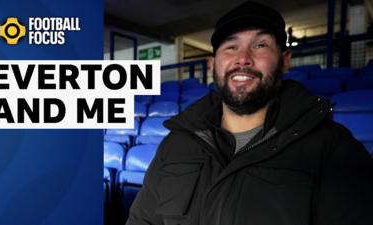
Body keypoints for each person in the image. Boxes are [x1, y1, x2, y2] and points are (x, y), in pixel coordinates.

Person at [126, 1, 373, 225]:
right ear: (213, 65)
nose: (243, 58)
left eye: (260, 45)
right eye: (231, 47)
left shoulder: (335, 150)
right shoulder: (175, 144)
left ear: (285, 60)